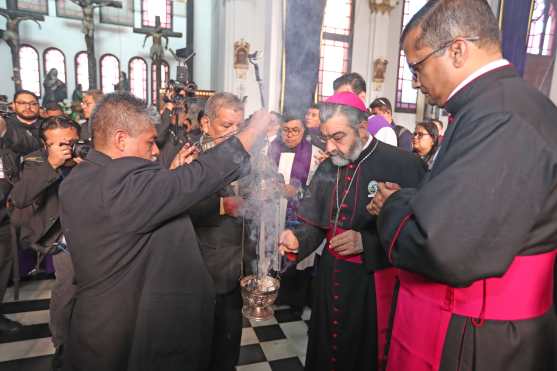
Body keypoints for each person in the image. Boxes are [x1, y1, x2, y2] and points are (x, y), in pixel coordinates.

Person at [368, 1, 557, 370]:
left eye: (416, 66)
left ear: (457, 49)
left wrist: (392, 206)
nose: (415, 81)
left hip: (481, 336)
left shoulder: (502, 116)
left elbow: (443, 246)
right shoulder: (495, 106)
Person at [58, 92, 272, 371]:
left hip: (105, 320)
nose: (156, 150)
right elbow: (204, 172)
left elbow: (144, 207)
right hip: (129, 333)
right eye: (149, 142)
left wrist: (168, 178)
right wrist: (254, 129)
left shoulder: (82, 178)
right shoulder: (121, 187)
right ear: (121, 139)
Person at [279, 92, 424, 371]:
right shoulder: (327, 166)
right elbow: (317, 224)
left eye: (338, 137)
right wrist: (298, 239)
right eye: (325, 138)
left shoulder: (403, 164)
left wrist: (367, 242)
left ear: (360, 128)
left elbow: (421, 233)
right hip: (330, 276)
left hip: (373, 283)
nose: (330, 147)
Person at [10, 116, 82, 371]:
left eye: (72, 142)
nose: (67, 148)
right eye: (59, 144)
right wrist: (52, 164)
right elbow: (19, 198)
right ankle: (62, 345)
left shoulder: (88, 156)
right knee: (68, 290)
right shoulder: (35, 162)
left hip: (94, 232)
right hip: (62, 237)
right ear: (44, 144)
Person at [188, 92, 252, 371]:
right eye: (226, 126)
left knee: (228, 348)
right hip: (203, 269)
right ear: (205, 123)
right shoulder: (191, 157)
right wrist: (224, 206)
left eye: (238, 127)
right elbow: (180, 208)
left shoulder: (246, 156)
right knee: (200, 348)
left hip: (237, 267)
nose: (233, 134)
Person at [268, 117, 323, 313]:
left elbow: (319, 190)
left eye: (295, 130)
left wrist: (297, 192)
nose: (289, 134)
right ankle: (275, 293)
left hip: (299, 215)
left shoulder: (315, 154)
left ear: (304, 131)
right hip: (273, 212)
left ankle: (296, 298)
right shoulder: (271, 149)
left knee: (296, 252)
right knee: (275, 251)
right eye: (285, 130)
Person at [0, 114, 41, 335]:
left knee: (3, 262)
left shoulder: (9, 127)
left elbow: (31, 145)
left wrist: (4, 129)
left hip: (4, 210)